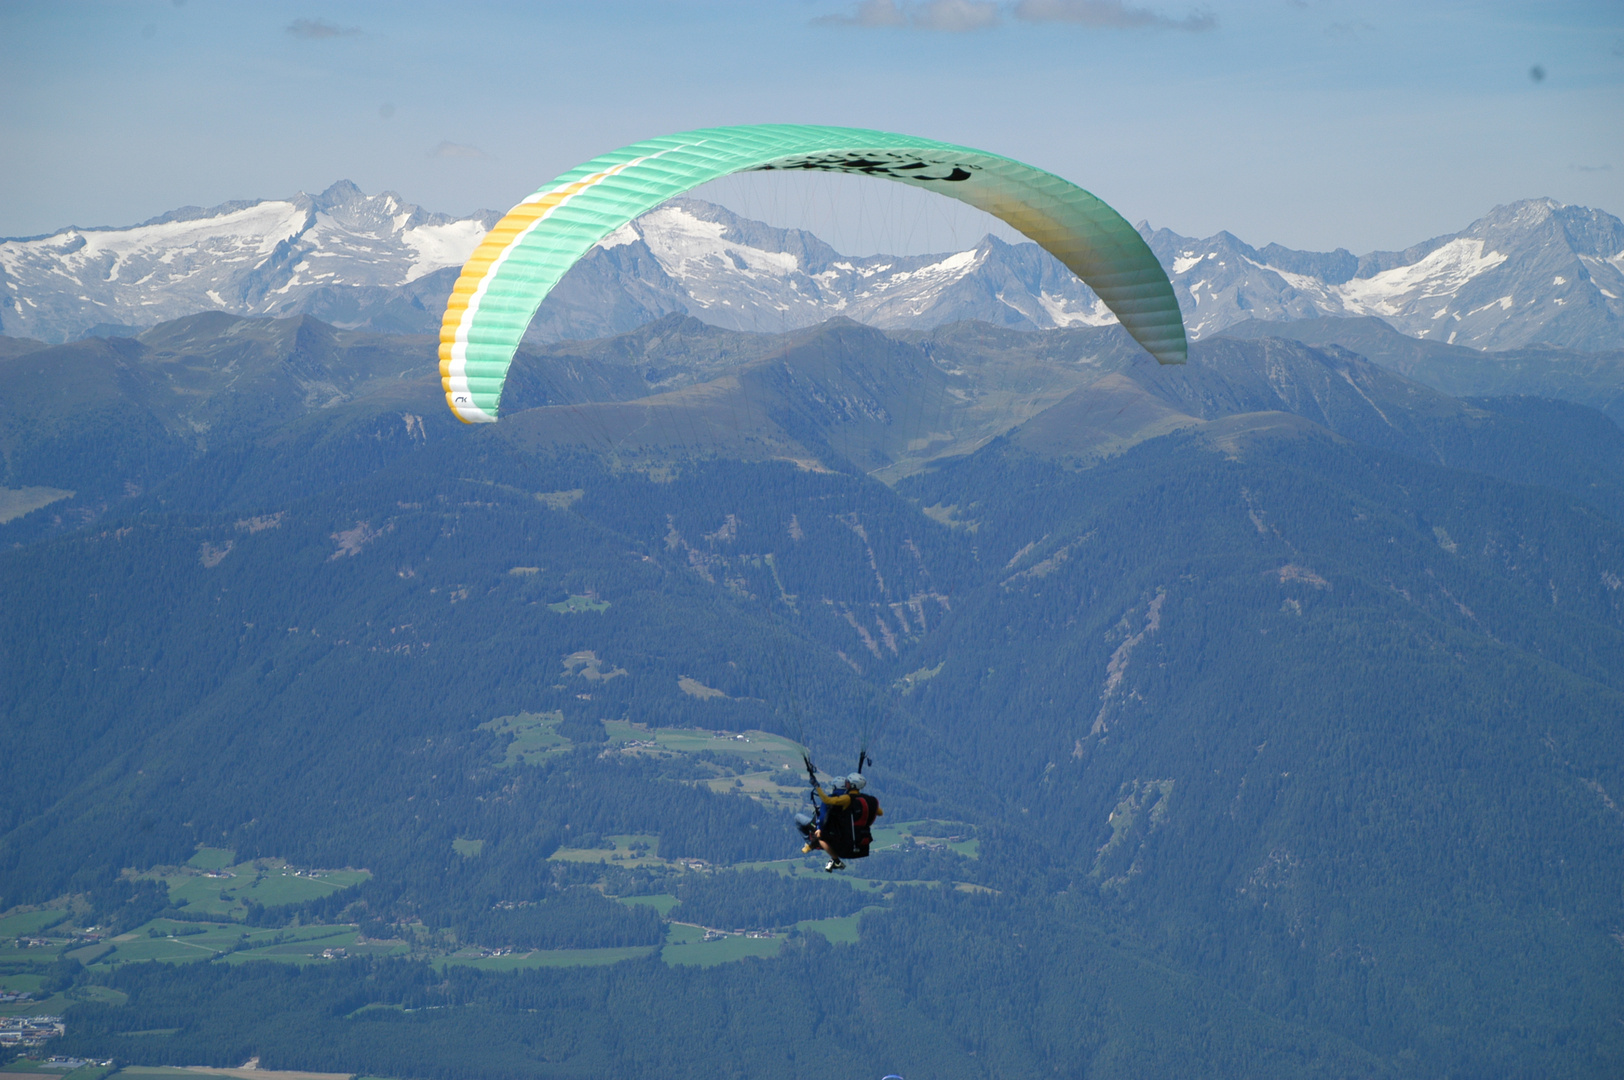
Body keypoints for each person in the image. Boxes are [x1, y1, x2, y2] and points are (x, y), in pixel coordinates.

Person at [798, 772, 882, 872]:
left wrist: (816, 786)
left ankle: (825, 853)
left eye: (847, 782)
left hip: (845, 843)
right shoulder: (868, 800)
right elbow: (879, 812)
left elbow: (826, 800)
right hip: (863, 841)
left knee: (819, 836)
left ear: (852, 785)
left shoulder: (847, 798)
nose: (846, 784)